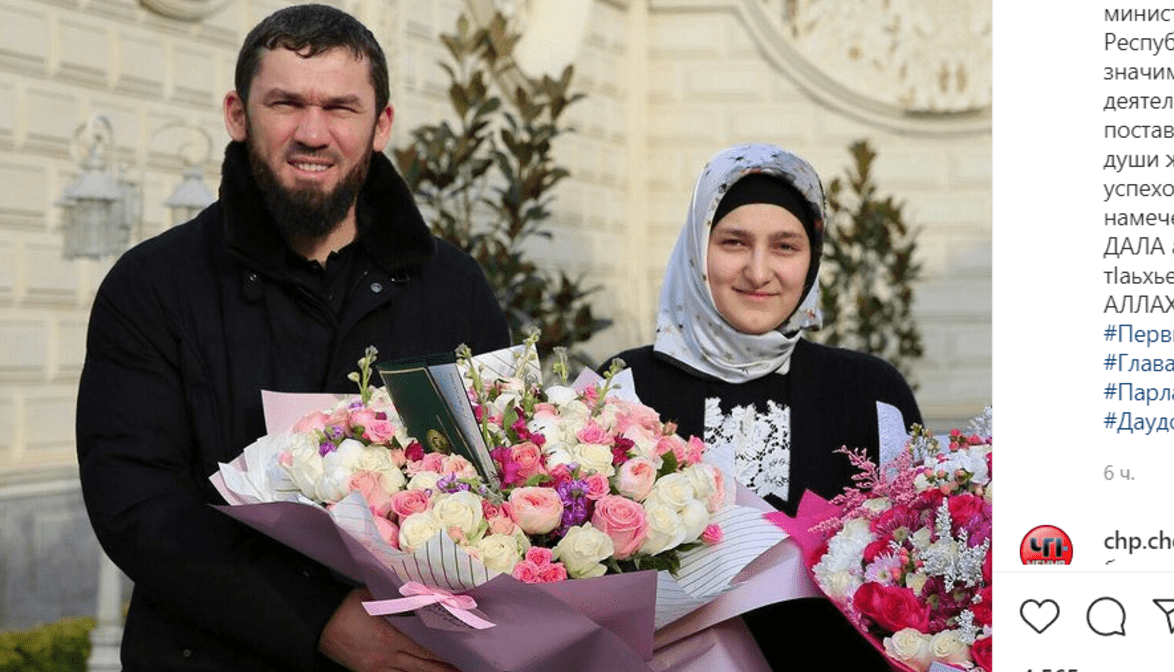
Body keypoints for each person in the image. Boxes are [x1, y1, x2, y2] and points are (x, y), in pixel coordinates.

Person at [75, 5, 507, 671]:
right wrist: (316, 620)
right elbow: (139, 507)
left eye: (340, 106)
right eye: (285, 103)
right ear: (238, 114)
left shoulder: (454, 289)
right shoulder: (153, 286)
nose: (313, 132)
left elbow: (491, 484)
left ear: (381, 125)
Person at [605, 143, 922, 671]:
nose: (758, 271)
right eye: (733, 242)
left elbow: (910, 571)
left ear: (813, 257)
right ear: (698, 249)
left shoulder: (871, 392)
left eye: (785, 246)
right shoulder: (628, 386)